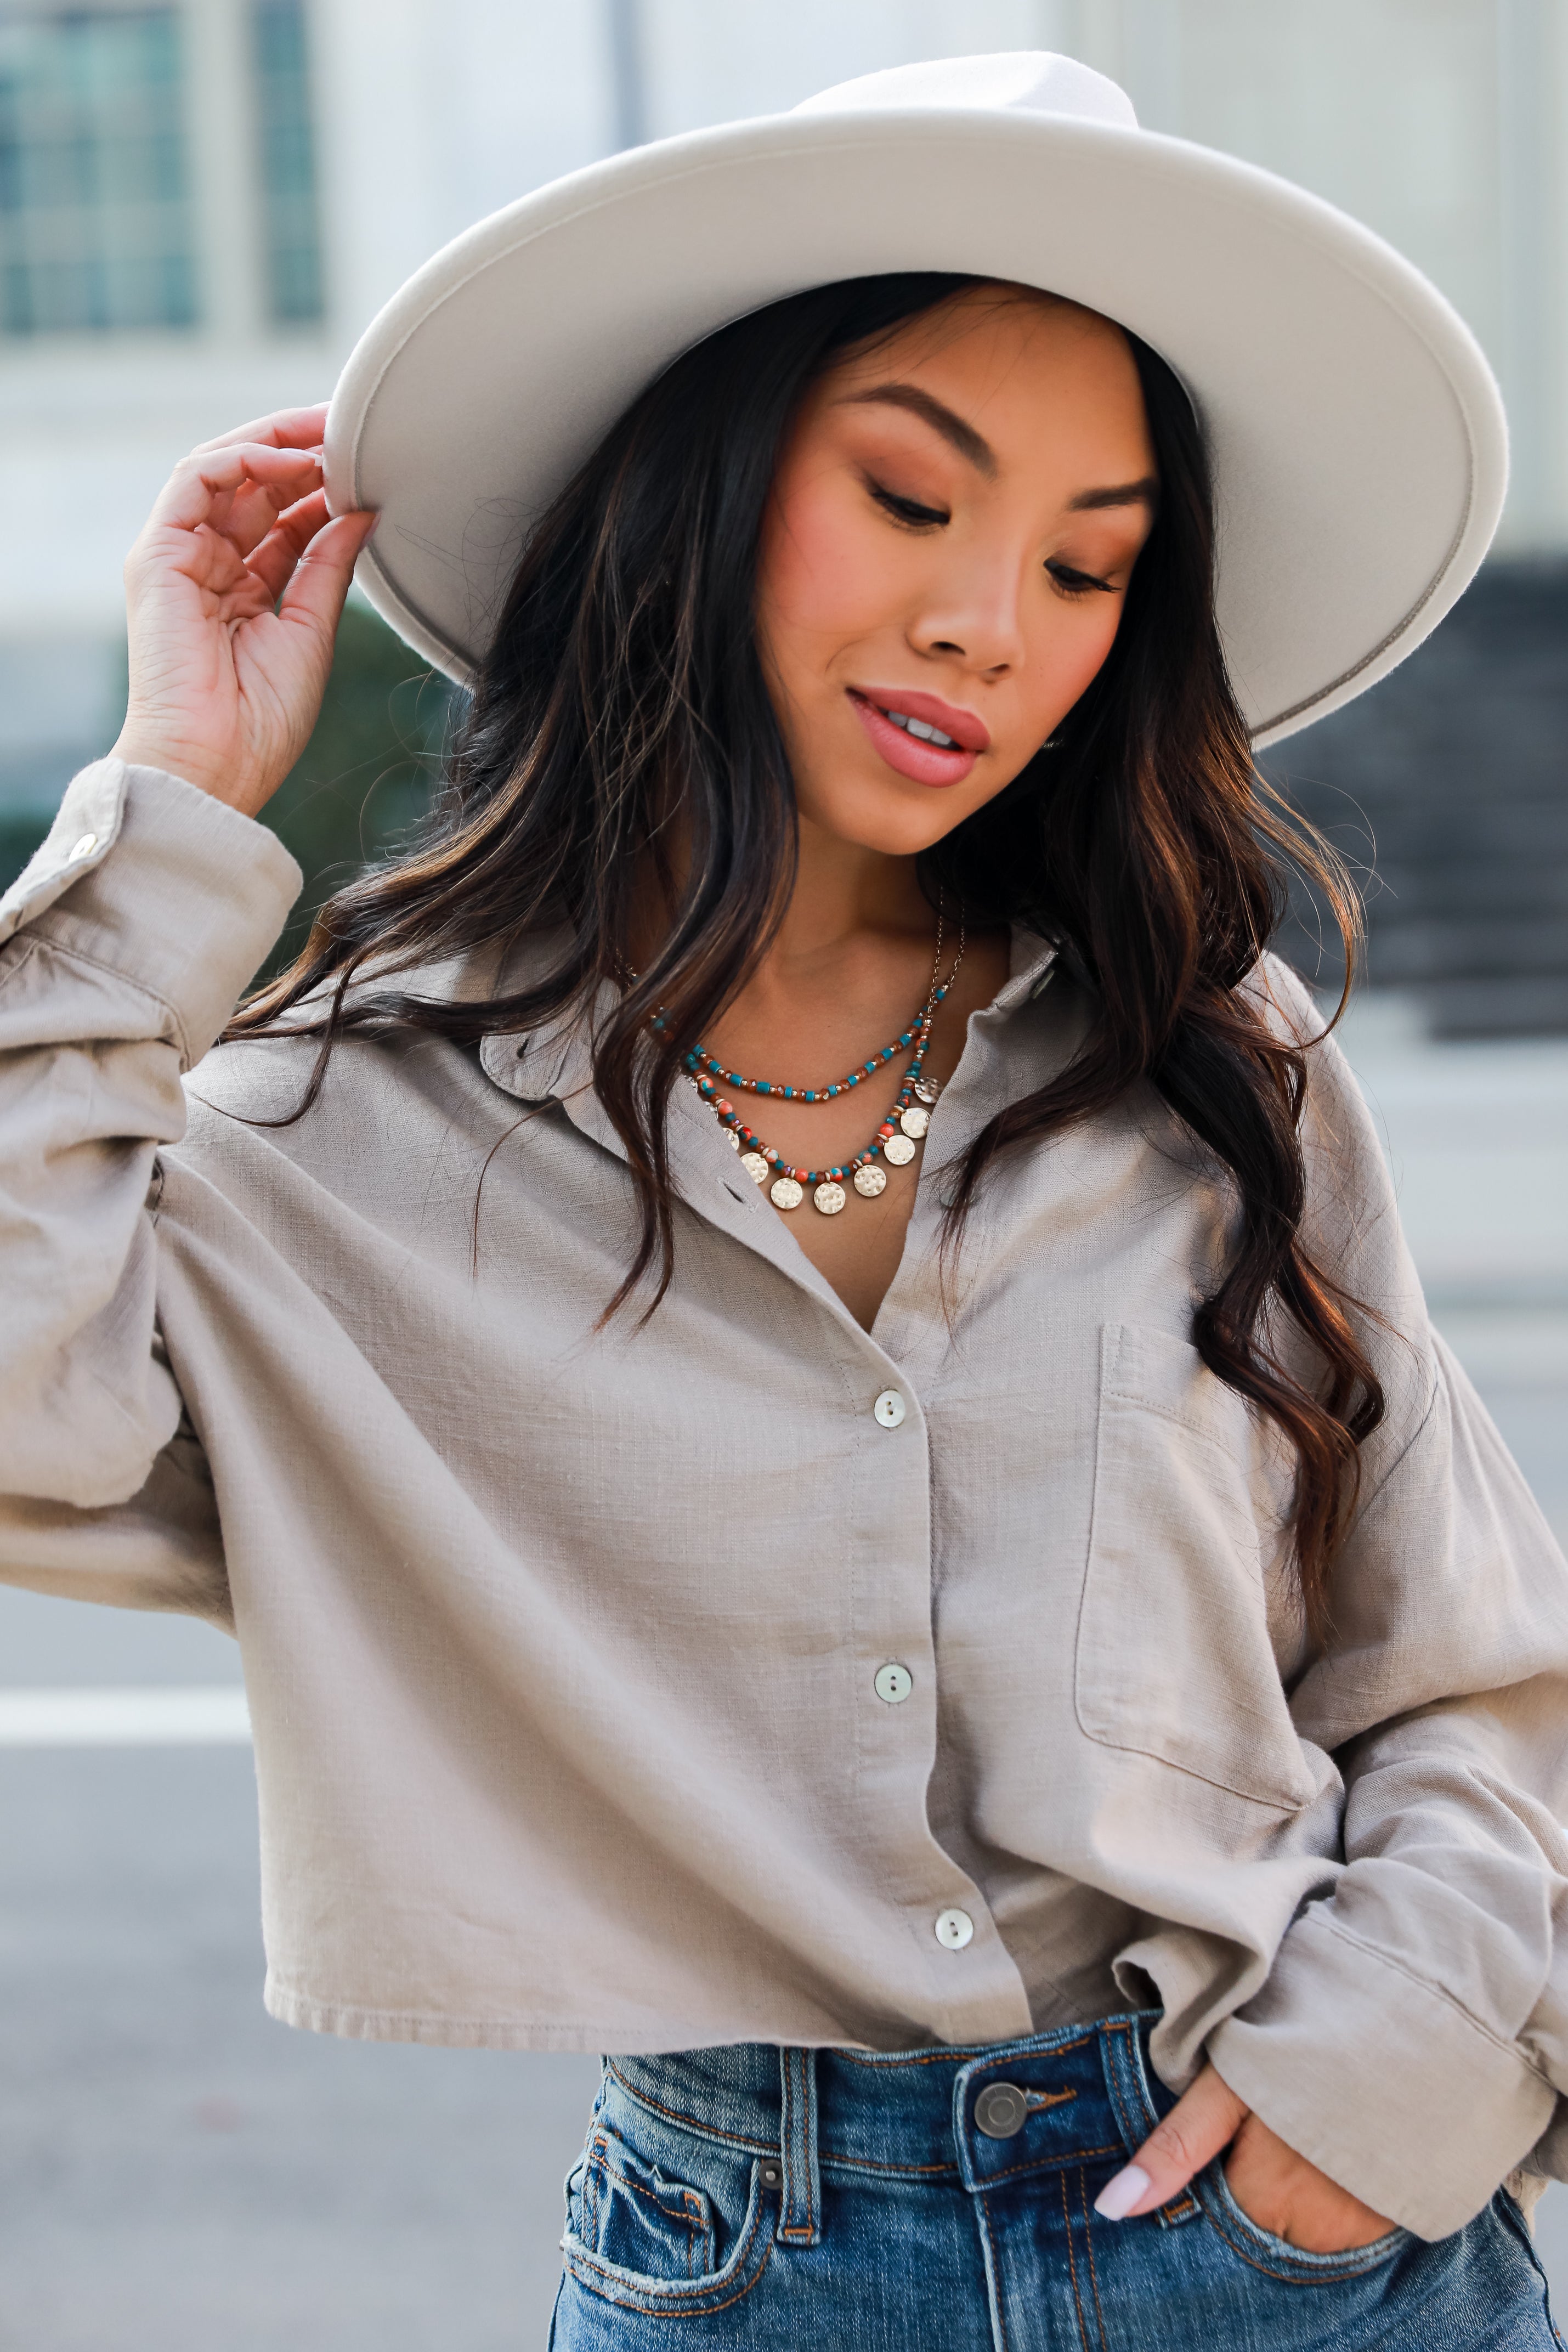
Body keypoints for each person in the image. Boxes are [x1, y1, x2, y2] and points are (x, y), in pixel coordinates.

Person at [2, 48, 1565, 2350]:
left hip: (1307, 2236)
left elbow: (1459, 1668)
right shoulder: (344, 1124)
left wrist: (1386, 2092)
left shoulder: (1203, 1056)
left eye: (1084, 564)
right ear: (702, 490)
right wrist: (166, 804)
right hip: (749, 2274)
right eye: (910, 498)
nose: (989, 623)